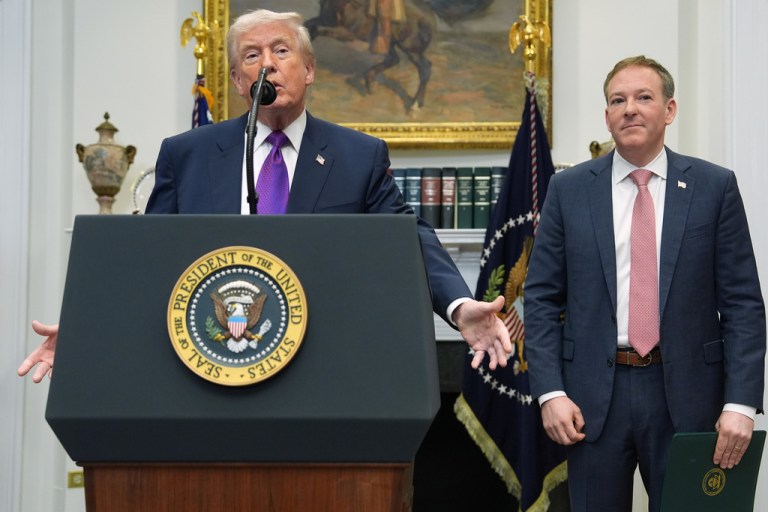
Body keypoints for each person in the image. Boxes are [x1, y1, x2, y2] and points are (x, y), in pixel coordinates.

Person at [18, 9, 511, 383]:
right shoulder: (186, 154)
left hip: (320, 365)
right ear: (238, 81)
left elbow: (409, 238)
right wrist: (88, 328)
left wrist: (459, 305)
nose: (268, 64)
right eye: (251, 56)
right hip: (209, 365)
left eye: (281, 51)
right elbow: (150, 255)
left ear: (309, 70)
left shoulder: (357, 155)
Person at [523, 55, 766, 512]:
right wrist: (550, 393)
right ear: (607, 116)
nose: (629, 108)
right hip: (591, 399)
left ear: (669, 110)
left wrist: (741, 403)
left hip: (691, 399)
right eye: (618, 100)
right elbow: (539, 300)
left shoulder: (714, 187)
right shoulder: (569, 190)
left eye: (643, 97)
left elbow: (743, 306)